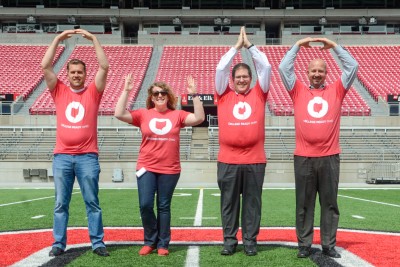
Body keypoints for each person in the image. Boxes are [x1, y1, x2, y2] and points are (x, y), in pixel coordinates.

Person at [278, 37, 359, 259]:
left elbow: (353, 66)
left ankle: (328, 244)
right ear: (307, 73)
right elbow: (283, 67)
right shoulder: (297, 91)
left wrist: (332, 45)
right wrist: (298, 45)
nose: (316, 74)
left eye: (320, 71)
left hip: (330, 157)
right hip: (303, 157)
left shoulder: (337, 90)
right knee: (304, 204)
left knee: (330, 204)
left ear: (326, 73)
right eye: (313, 70)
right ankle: (304, 245)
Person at [114, 74, 205, 256]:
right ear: (151, 97)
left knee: (164, 206)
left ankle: (163, 243)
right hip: (146, 167)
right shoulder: (143, 114)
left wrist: (194, 94)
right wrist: (126, 90)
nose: (160, 96)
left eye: (163, 93)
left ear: (168, 96)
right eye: (156, 94)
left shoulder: (177, 114)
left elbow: (199, 118)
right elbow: (118, 113)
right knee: (145, 204)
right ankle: (150, 240)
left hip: (169, 169)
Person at [41, 29, 110, 257]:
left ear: (84, 74)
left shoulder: (93, 92)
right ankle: (59, 243)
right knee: (61, 203)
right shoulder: (59, 90)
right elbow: (45, 66)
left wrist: (93, 39)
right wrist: (58, 39)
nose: (77, 75)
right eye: (73, 72)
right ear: (68, 74)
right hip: (62, 156)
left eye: (80, 72)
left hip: (87, 156)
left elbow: (104, 67)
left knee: (92, 202)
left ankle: (97, 243)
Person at [215, 26, 271, 256]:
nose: (241, 80)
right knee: (228, 203)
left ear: (251, 79)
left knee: (252, 203)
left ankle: (250, 241)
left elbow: (265, 67)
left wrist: (249, 46)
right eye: (237, 77)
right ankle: (230, 241)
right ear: (232, 79)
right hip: (228, 159)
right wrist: (235, 47)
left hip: (254, 159)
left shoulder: (260, 92)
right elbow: (220, 68)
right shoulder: (223, 93)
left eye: (245, 77)